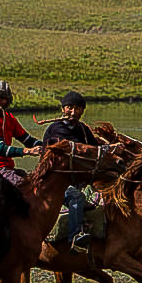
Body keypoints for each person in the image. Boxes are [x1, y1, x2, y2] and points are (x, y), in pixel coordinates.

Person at [43, 90, 99, 254]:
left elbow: (94, 148)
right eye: (69, 108)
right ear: (63, 109)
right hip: (53, 180)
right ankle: (74, 238)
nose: (73, 112)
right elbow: (80, 149)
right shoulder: (56, 129)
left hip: (73, 179)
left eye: (78, 109)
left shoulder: (82, 129)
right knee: (76, 197)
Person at [0, 79, 42, 188]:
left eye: (2, 99)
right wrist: (27, 151)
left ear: (8, 100)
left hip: (8, 168)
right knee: (27, 188)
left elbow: (27, 140)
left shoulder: (9, 118)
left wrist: (48, 146)